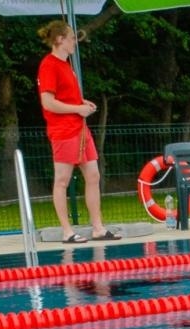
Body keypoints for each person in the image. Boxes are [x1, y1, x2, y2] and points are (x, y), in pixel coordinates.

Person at [36, 20, 119, 244]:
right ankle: (67, 231)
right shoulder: (49, 65)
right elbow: (48, 103)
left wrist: (82, 103)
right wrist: (78, 109)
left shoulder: (66, 65)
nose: (75, 42)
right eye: (72, 38)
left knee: (93, 175)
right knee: (62, 180)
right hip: (63, 131)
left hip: (80, 128)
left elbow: (65, 97)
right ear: (59, 39)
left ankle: (98, 228)